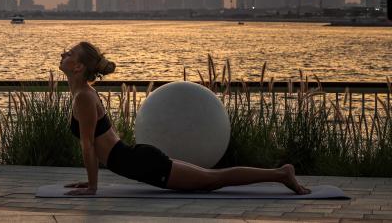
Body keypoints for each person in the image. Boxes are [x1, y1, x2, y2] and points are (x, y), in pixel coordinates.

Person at [60, 41, 311, 196]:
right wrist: (90, 181)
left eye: (69, 53)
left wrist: (93, 187)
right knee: (212, 178)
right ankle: (280, 174)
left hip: (141, 164)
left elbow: (88, 145)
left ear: (78, 67)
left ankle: (281, 174)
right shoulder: (84, 94)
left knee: (213, 181)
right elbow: (101, 142)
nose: (63, 53)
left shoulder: (83, 96)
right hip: (137, 159)